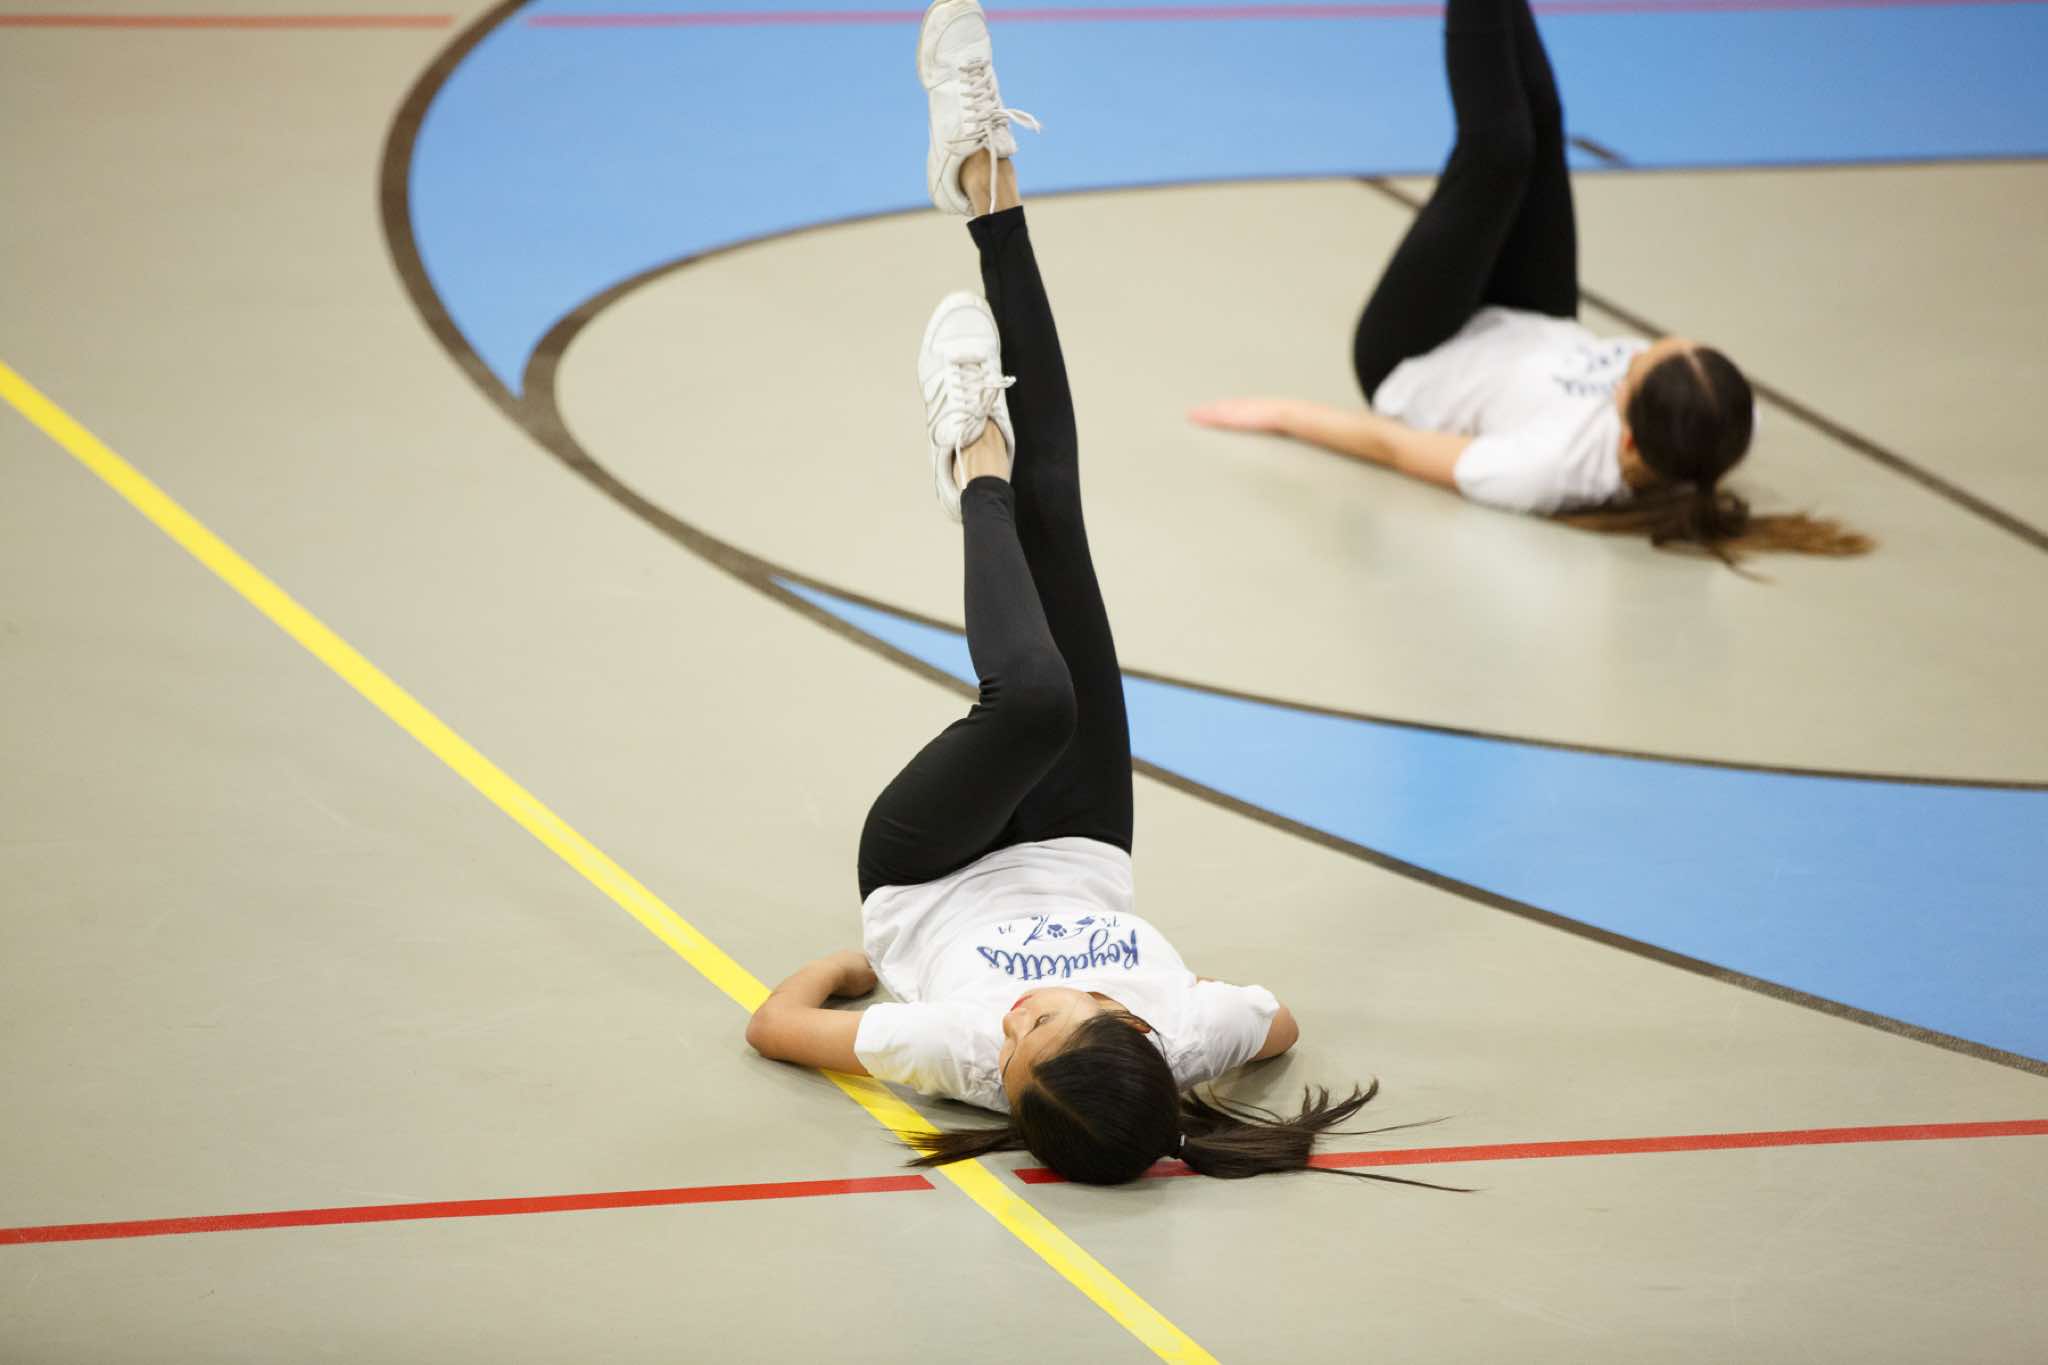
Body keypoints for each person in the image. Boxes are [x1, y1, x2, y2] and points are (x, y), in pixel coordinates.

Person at [744, 0, 1408, 1187]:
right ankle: (985, 181)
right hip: (1082, 843)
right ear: (1140, 1029)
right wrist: (1195, 1039)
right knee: (1059, 510)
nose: (1013, 1024)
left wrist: (856, 967)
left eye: (1013, 1051)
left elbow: (775, 1027)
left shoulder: (952, 1049)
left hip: (927, 868)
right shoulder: (1187, 1034)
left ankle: (969, 463)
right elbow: (1275, 1024)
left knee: (1036, 698)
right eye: (1046, 1022)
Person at [1191, 0, 1868, 564]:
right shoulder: (1717, 418)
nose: (1642, 351)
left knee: (1497, 152)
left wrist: (1279, 415)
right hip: (1534, 320)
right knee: (1542, 123)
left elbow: (1391, 445)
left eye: (1636, 367)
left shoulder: (1540, 469)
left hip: (1418, 351)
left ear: (1627, 437)